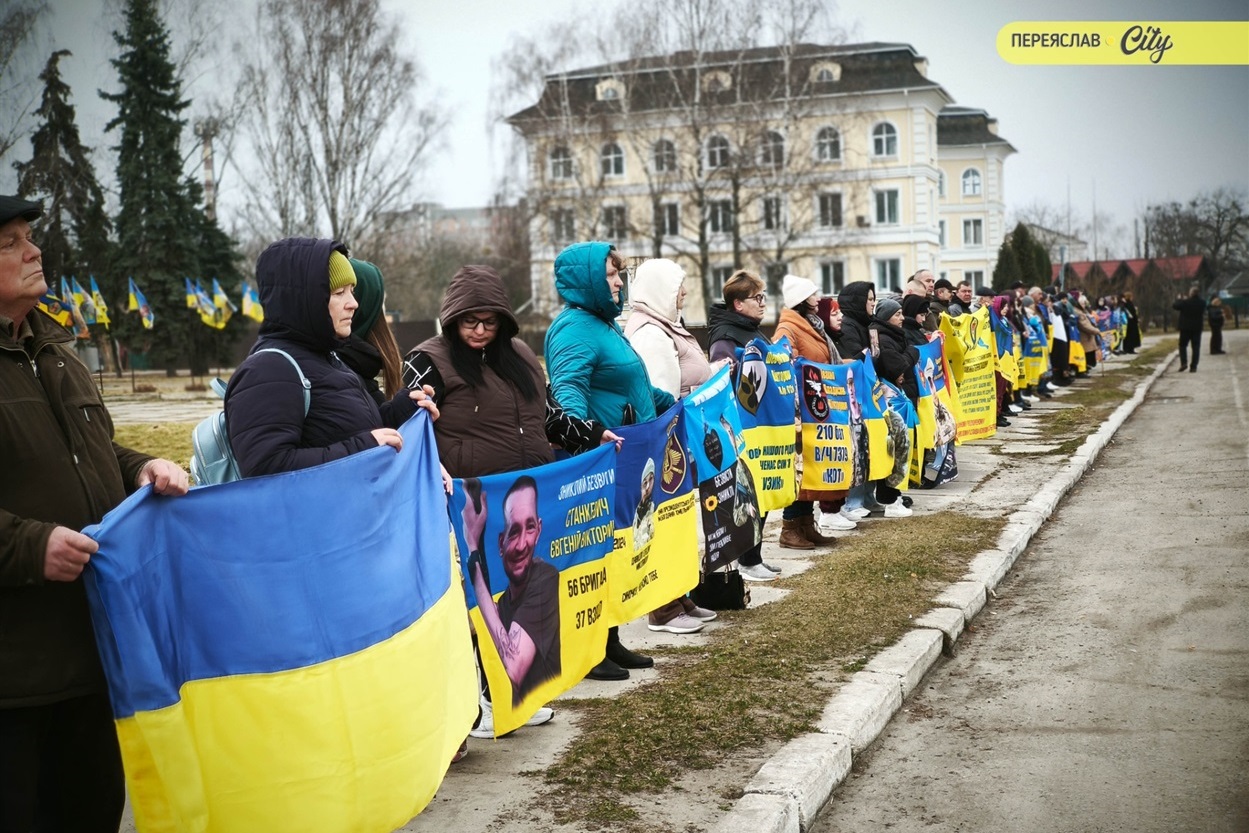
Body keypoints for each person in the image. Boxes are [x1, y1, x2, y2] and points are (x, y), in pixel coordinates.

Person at [1, 194, 190, 832]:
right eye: (10, 244)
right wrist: (31, 546)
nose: (33, 252)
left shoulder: (55, 354)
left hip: (93, 658)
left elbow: (91, 451)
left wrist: (140, 467)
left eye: (30, 236)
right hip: (14, 681)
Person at [402, 264, 618, 716]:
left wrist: (591, 434)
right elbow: (411, 427)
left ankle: (516, 694)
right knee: (474, 606)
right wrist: (433, 468)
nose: (480, 331)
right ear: (452, 318)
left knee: (518, 602)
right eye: (469, 321)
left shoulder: (519, 354)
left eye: (489, 321)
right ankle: (477, 701)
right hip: (468, 506)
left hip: (525, 497)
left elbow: (549, 414)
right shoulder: (427, 359)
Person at [545, 241, 674, 678]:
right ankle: (589, 649)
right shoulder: (573, 329)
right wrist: (584, 439)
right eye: (611, 276)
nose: (619, 283)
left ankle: (610, 639)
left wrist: (671, 404)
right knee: (597, 553)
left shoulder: (606, 326)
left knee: (619, 548)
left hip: (628, 455)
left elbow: (630, 385)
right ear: (587, 282)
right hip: (602, 458)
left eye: (619, 275)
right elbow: (568, 392)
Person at [225, 238, 428, 476]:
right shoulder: (269, 369)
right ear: (304, 301)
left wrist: (404, 407)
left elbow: (353, 429)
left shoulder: (328, 359)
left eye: (352, 291)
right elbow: (266, 468)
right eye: (339, 292)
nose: (353, 303)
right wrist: (363, 448)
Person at [622, 257, 721, 633]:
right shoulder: (650, 333)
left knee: (678, 518)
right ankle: (662, 607)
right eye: (679, 286)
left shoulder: (668, 327)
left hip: (682, 438)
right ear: (661, 289)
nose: (685, 293)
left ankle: (678, 592)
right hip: (667, 442)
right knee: (664, 519)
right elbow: (659, 395)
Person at [706, 269, 781, 582]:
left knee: (760, 492)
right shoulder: (726, 336)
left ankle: (755, 556)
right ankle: (747, 560)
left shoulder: (751, 330)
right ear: (738, 304)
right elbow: (722, 376)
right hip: (742, 428)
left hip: (760, 425)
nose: (763, 303)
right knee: (747, 494)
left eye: (763, 296)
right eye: (757, 298)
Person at [462, 475, 560, 706]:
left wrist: (472, 547)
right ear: (500, 543)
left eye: (530, 527)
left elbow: (514, 667)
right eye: (513, 532)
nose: (522, 544)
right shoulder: (506, 601)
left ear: (539, 530)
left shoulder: (544, 578)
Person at [772, 274, 840, 549]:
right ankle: (789, 528)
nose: (819, 298)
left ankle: (805, 524)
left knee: (811, 468)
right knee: (798, 471)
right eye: (813, 294)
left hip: (816, 405)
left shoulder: (812, 325)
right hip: (800, 408)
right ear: (801, 300)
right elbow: (784, 360)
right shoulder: (788, 328)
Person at [865, 297, 917, 517]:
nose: (902, 318)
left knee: (901, 445)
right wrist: (913, 352)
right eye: (897, 314)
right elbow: (898, 365)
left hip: (900, 397)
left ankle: (892, 494)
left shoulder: (894, 335)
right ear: (887, 317)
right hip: (890, 400)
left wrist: (909, 355)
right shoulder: (884, 338)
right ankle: (889, 497)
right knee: (893, 446)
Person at [1173, 286, 1206, 372]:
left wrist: (1179, 299)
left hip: (1185, 328)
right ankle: (1194, 366)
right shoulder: (1202, 303)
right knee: (1196, 347)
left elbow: (1175, 306)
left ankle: (1184, 362)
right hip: (1197, 328)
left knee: (1182, 345)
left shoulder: (1185, 302)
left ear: (1190, 293)